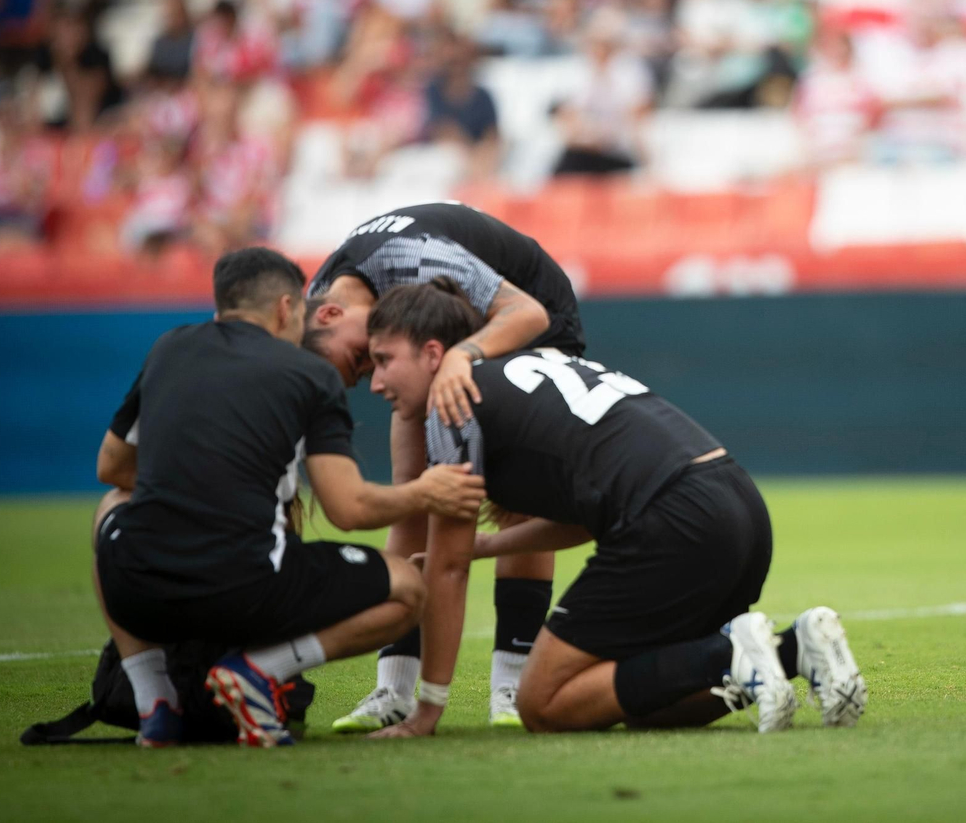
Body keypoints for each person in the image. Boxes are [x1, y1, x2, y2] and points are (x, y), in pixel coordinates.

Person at [360, 281, 867, 735]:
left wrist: (428, 708)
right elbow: (585, 517)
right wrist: (490, 545)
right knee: (646, 706)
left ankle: (727, 653)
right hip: (737, 503)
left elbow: (446, 571)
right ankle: (792, 649)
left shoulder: (452, 400)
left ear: (432, 353)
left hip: (672, 517)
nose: (375, 382)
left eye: (384, 360)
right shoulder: (529, 366)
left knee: (544, 705)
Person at [92, 248, 486, 748]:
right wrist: (425, 491)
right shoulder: (307, 373)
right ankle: (257, 671)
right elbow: (347, 510)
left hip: (137, 590)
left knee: (111, 507)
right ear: (285, 309)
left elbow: (111, 467)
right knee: (408, 587)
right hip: (242, 589)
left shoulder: (169, 347)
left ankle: (155, 701)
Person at [304, 202, 584, 730]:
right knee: (413, 490)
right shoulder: (325, 302)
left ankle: (512, 685)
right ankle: (393, 689)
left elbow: (529, 314)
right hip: (439, 337)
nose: (367, 373)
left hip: (526, 320)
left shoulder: (408, 257)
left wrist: (462, 357)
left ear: (330, 315)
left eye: (359, 360)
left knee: (515, 501)